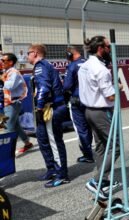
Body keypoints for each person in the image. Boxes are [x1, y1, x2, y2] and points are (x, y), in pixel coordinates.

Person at [79, 36, 120, 200]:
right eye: (108, 47)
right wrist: (118, 88)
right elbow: (110, 97)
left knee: (101, 146)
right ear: (101, 48)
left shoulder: (85, 64)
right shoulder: (101, 69)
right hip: (101, 111)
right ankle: (96, 180)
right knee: (116, 147)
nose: (110, 50)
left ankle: (102, 181)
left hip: (89, 110)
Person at [27, 44, 69, 187]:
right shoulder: (43, 66)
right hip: (47, 108)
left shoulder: (41, 65)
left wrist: (39, 106)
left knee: (54, 142)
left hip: (51, 108)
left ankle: (62, 174)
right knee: (42, 138)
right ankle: (51, 169)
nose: (27, 56)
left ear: (35, 53)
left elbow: (44, 87)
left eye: (28, 53)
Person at [63, 46, 94, 163]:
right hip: (90, 99)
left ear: (70, 55)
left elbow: (66, 86)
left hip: (77, 100)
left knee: (81, 128)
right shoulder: (89, 62)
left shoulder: (72, 66)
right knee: (89, 126)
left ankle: (87, 154)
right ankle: (90, 150)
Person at [1, 53, 33, 155]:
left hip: (12, 103)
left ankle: (7, 154)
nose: (1, 62)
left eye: (3, 60)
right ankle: (27, 143)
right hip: (7, 103)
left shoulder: (14, 72)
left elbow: (9, 86)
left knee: (8, 129)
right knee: (16, 126)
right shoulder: (7, 71)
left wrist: (2, 78)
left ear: (10, 62)